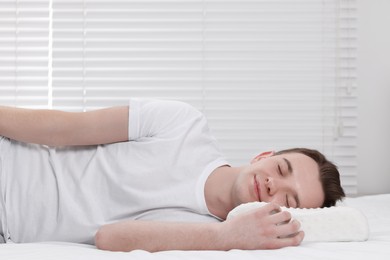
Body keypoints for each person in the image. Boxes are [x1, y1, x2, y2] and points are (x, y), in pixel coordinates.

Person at [0, 99, 345, 252]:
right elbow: (65, 128)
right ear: (264, 156)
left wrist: (227, 237)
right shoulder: (183, 124)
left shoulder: (211, 236)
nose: (273, 184)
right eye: (281, 169)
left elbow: (109, 237)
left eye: (287, 199)